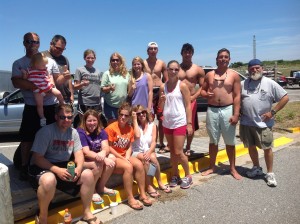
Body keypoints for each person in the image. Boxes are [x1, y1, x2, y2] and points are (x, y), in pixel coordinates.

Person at [11, 32, 71, 180]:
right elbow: (16, 82)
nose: (32, 45)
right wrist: (37, 86)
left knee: (51, 137)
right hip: (32, 106)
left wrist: (66, 77)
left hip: (51, 106)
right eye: (29, 42)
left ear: (39, 44)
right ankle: (25, 166)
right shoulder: (19, 63)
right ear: (24, 43)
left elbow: (57, 81)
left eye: (35, 42)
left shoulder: (50, 62)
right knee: (27, 138)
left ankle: (49, 164)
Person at [28, 104, 102, 224]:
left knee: (88, 174)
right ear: (56, 117)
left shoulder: (73, 133)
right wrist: (57, 170)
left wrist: (78, 168)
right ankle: (42, 217)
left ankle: (87, 213)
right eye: (62, 117)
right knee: (49, 180)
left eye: (69, 117)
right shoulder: (46, 132)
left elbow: (79, 154)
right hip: (42, 165)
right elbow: (37, 158)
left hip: (63, 164)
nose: (66, 120)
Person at [240, 59, 289, 187]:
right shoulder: (243, 84)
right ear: (248, 70)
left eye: (257, 68)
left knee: (267, 148)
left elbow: (285, 97)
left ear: (262, 68)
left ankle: (270, 173)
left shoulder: (270, 83)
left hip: (263, 124)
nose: (254, 70)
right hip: (246, 122)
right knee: (250, 147)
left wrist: (272, 112)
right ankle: (256, 167)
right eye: (251, 68)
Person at [200, 48, 242, 180]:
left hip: (227, 109)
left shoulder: (234, 75)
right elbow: (202, 91)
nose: (223, 59)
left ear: (229, 59)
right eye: (221, 57)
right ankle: (212, 167)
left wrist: (236, 114)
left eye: (226, 57)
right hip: (212, 109)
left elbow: (237, 96)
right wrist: (206, 94)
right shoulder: (210, 75)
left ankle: (233, 168)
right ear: (216, 59)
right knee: (213, 141)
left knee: (230, 141)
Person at [105, 102, 152, 210]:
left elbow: (129, 147)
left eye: (126, 115)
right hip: (113, 156)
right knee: (128, 167)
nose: (123, 117)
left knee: (139, 165)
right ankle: (130, 198)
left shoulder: (129, 129)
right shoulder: (111, 128)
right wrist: (123, 159)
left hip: (123, 155)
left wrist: (126, 157)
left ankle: (143, 194)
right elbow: (110, 147)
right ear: (118, 114)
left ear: (129, 117)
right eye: (121, 114)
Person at [158, 60, 194, 189]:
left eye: (176, 69)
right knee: (172, 151)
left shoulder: (182, 86)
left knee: (179, 152)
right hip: (167, 122)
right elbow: (160, 107)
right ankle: (175, 175)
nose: (173, 72)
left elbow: (188, 105)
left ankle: (188, 176)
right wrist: (161, 101)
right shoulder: (163, 87)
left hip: (179, 122)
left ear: (179, 71)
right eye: (171, 69)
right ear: (167, 70)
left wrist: (189, 123)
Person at [131, 105, 172, 198]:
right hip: (137, 151)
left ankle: (159, 182)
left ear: (146, 113)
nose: (141, 115)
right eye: (138, 114)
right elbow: (137, 136)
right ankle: (149, 185)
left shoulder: (153, 126)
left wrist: (149, 152)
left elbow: (154, 142)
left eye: (143, 112)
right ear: (135, 115)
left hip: (148, 149)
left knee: (152, 158)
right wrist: (134, 121)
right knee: (146, 160)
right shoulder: (134, 126)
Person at [77, 109, 116, 204]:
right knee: (98, 164)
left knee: (112, 158)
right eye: (89, 121)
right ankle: (92, 190)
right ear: (84, 121)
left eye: (94, 120)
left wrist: (103, 153)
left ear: (98, 121)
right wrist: (103, 158)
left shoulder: (101, 131)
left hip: (97, 158)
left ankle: (101, 187)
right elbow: (86, 152)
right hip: (83, 161)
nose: (92, 123)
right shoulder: (80, 132)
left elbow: (106, 147)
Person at [23, 52, 65, 127]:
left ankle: (62, 104)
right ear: (35, 64)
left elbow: (49, 76)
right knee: (39, 105)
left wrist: (51, 83)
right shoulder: (29, 70)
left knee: (58, 93)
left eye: (46, 64)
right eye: (43, 65)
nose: (45, 66)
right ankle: (42, 118)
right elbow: (25, 79)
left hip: (47, 86)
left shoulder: (44, 69)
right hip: (37, 90)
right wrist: (24, 74)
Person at [178, 43, 205, 156]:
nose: (187, 54)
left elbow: (203, 86)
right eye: (185, 52)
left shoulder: (198, 69)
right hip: (178, 101)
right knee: (179, 124)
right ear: (182, 53)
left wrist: (194, 97)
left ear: (192, 54)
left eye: (189, 52)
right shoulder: (176, 68)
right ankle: (179, 146)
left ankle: (188, 146)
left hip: (191, 100)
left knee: (190, 125)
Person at [144, 42, 169, 153]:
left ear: (157, 50)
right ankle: (149, 142)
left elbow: (166, 80)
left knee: (161, 119)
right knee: (149, 118)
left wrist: (166, 93)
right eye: (151, 49)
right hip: (147, 92)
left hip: (159, 91)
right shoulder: (143, 63)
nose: (153, 50)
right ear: (147, 51)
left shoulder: (161, 63)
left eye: (155, 49)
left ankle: (162, 143)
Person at [42, 34, 74, 104]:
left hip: (66, 98)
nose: (60, 51)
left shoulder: (64, 59)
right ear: (51, 44)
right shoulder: (42, 57)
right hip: (51, 99)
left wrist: (71, 95)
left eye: (62, 49)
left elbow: (69, 79)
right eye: (58, 48)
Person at [101, 52, 130, 124]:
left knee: (122, 125)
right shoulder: (107, 73)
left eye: (117, 60)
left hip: (123, 105)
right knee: (113, 126)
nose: (115, 62)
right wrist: (109, 88)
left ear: (121, 61)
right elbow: (102, 89)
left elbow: (129, 89)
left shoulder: (126, 74)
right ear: (110, 62)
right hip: (111, 105)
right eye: (113, 60)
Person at [74, 49, 102, 116]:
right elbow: (75, 87)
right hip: (84, 102)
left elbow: (101, 85)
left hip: (96, 102)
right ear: (84, 58)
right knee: (83, 123)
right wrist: (82, 84)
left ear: (95, 59)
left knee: (95, 123)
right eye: (88, 58)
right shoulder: (79, 70)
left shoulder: (98, 71)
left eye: (92, 58)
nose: (90, 60)